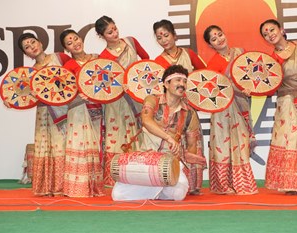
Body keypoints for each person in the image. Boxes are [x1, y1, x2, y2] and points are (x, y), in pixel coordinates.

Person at [112, 65, 206, 201]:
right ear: (167, 84)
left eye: (184, 81)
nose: (182, 84)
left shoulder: (190, 113)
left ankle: (154, 189)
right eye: (178, 80)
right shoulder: (153, 100)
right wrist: (169, 138)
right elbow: (146, 121)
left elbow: (192, 144)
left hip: (170, 163)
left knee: (178, 194)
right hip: (146, 160)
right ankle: (155, 188)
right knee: (118, 196)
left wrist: (185, 156)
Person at [259, 19, 297, 195]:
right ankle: (288, 184)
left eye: (272, 29)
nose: (270, 34)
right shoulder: (272, 59)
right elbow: (270, 84)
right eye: (265, 34)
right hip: (286, 100)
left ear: (281, 29)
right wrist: (254, 89)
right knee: (288, 141)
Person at [95, 15, 150, 186]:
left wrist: (137, 81)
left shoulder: (131, 42)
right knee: (117, 134)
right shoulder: (103, 57)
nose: (115, 33)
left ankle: (140, 173)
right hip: (116, 101)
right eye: (110, 32)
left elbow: (146, 60)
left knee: (140, 132)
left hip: (136, 96)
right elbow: (105, 83)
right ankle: (117, 176)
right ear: (102, 36)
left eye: (115, 28)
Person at [153, 19, 206, 194]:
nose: (163, 40)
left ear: (174, 35)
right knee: (174, 142)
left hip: (189, 105)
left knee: (192, 140)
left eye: (166, 35)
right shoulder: (158, 61)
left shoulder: (188, 54)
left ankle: (193, 184)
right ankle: (173, 181)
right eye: (159, 37)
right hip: (171, 108)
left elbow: (204, 74)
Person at [203, 25, 258, 195]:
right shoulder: (213, 63)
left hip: (240, 105)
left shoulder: (241, 53)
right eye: (214, 39)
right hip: (222, 109)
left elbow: (250, 74)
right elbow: (213, 90)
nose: (219, 39)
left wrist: (249, 87)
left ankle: (243, 184)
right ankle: (222, 185)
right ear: (211, 45)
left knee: (240, 143)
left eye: (220, 34)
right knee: (222, 144)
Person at [17, 33, 71, 196]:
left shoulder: (60, 57)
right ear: (26, 54)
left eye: (33, 42)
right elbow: (21, 94)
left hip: (63, 110)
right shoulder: (30, 73)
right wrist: (10, 101)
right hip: (43, 113)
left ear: (40, 42)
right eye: (27, 47)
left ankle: (64, 187)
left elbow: (74, 77)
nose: (32, 46)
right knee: (46, 147)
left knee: (62, 146)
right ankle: (47, 187)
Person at [59, 29, 105, 197]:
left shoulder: (97, 59)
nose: (75, 44)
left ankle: (94, 187)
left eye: (76, 39)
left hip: (97, 108)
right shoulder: (68, 67)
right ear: (67, 49)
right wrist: (78, 95)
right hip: (78, 111)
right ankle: (78, 188)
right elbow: (65, 91)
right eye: (69, 43)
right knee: (81, 148)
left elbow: (105, 81)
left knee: (95, 147)